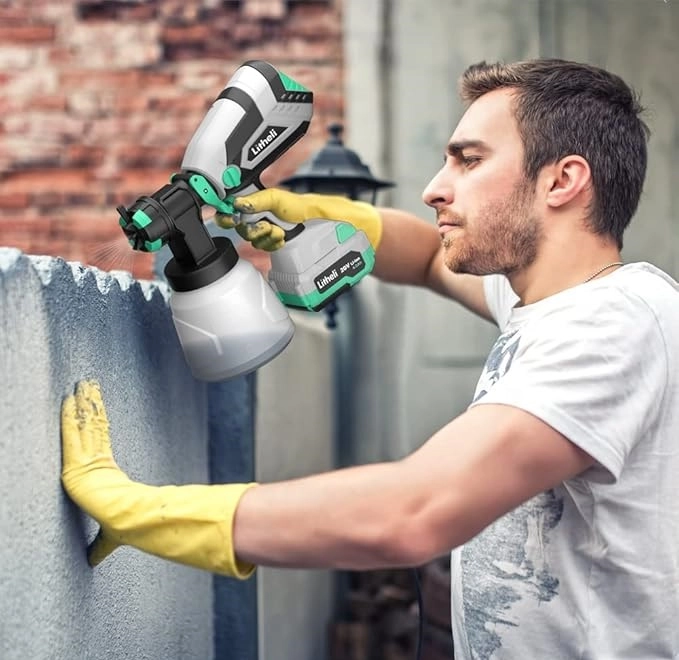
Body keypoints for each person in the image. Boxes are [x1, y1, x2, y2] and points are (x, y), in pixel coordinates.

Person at [61, 58, 679, 659]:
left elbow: (414, 512)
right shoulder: (553, 302)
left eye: (469, 160)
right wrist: (307, 211)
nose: (435, 188)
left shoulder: (611, 322)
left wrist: (143, 511)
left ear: (561, 181)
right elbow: (430, 259)